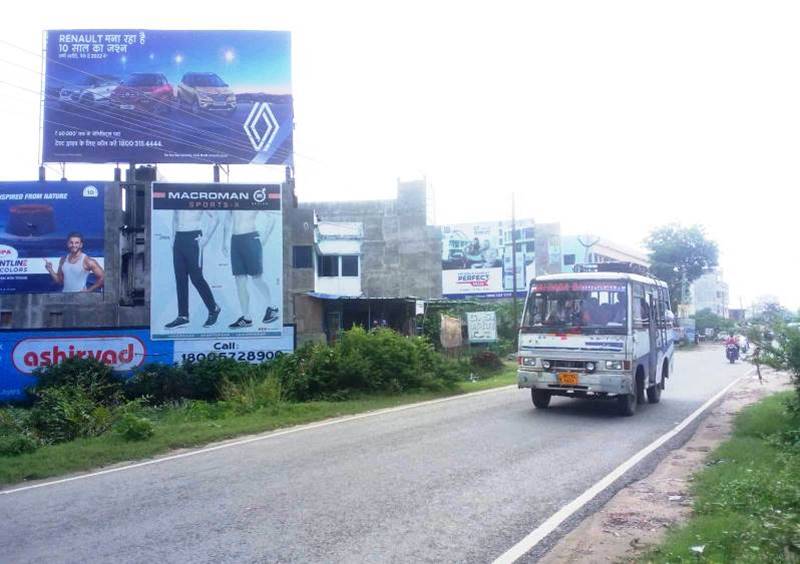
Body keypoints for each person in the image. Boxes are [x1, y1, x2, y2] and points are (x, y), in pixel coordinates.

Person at [164, 210, 221, 329]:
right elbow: (175, 216)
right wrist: (173, 237)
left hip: (194, 237)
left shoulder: (198, 196)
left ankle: (213, 308)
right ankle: (183, 316)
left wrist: (206, 238)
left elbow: (215, 217)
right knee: (180, 278)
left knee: (196, 278)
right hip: (179, 238)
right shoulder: (178, 196)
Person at [223, 210, 279, 328]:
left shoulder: (252, 195)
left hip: (251, 238)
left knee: (257, 279)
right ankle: (246, 317)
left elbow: (272, 217)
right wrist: (224, 241)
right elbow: (228, 219)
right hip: (235, 240)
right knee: (240, 281)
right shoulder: (232, 199)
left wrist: (264, 236)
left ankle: (272, 308)